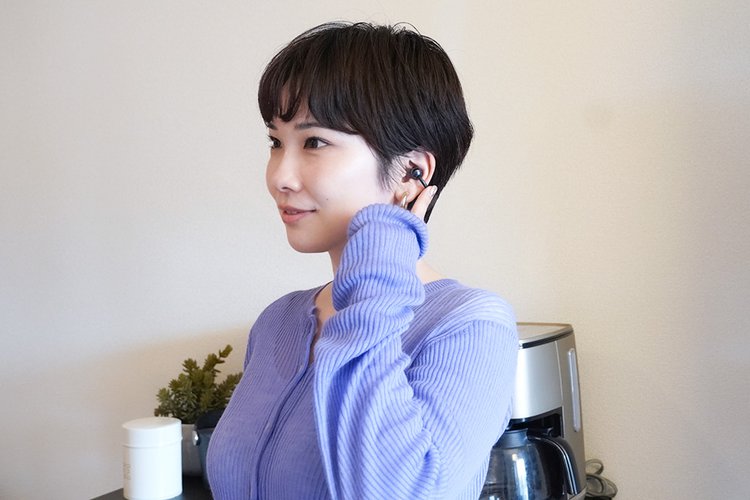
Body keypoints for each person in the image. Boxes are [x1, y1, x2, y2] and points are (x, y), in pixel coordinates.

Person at [206, 21, 518, 500]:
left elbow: (396, 491)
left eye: (314, 142)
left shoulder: (469, 326)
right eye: (275, 142)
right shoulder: (277, 322)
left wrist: (387, 243)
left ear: (411, 173)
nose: (280, 177)